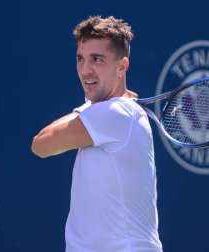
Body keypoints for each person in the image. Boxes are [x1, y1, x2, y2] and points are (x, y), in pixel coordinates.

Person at [32, 16, 162, 252]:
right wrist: (90, 109)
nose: (85, 70)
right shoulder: (115, 112)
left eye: (97, 59)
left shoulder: (115, 113)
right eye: (80, 59)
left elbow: (41, 144)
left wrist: (86, 109)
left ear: (122, 67)